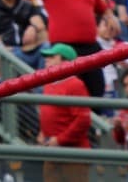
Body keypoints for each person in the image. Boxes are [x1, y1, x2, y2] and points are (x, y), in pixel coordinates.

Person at [35, 43, 91, 181]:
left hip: (73, 154)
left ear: (65, 62)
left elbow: (83, 120)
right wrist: (42, 132)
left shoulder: (75, 84)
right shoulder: (48, 83)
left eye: (52, 56)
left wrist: (60, 140)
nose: (46, 59)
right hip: (51, 150)